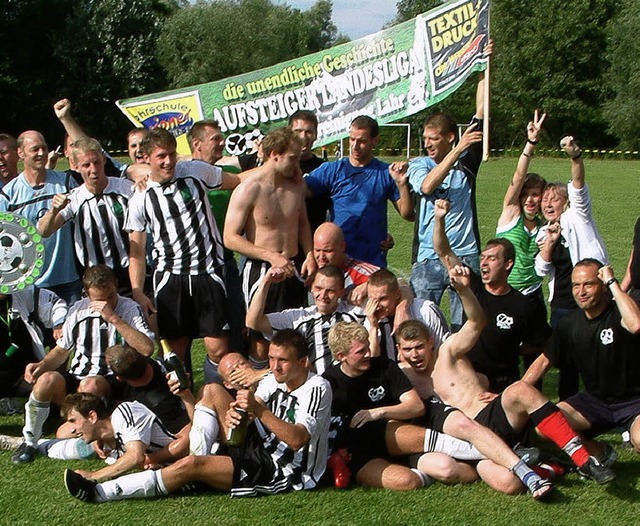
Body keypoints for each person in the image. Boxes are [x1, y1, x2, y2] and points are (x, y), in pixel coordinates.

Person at [396, 263, 615, 488]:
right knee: (508, 484)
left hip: (491, 415)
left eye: (419, 347)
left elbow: (476, 322)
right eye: (407, 350)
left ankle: (584, 460)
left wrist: (464, 291)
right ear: (399, 350)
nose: (415, 355)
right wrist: (376, 323)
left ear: (430, 342)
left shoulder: (448, 351)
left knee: (520, 390)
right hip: (468, 443)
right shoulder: (402, 376)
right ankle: (551, 465)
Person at [64, 329, 333, 502]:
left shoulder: (317, 388)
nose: (274, 366)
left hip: (285, 468)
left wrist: (257, 410)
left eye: (282, 361)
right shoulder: (274, 378)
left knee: (191, 464)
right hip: (260, 444)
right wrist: (237, 414)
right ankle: (200, 458)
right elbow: (252, 411)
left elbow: (298, 439)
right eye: (272, 359)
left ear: (303, 362)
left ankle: (99, 492)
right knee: (213, 389)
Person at [125, 128, 239, 383]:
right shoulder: (140, 197)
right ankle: (184, 410)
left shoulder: (195, 172)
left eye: (172, 155)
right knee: (175, 351)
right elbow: (137, 248)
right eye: (161, 156)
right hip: (171, 277)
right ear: (146, 158)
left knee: (218, 349)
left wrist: (272, 170)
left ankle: (215, 400)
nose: (168, 162)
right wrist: (137, 290)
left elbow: (238, 181)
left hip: (208, 272)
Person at [11, 265, 154, 464]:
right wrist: (41, 365)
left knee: (91, 385)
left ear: (116, 286)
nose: (106, 304)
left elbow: (147, 348)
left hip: (109, 381)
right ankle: (30, 442)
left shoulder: (130, 308)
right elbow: (62, 350)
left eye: (111, 296)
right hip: (77, 377)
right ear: (87, 294)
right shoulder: (78, 309)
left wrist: (114, 319)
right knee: (46, 380)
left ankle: (93, 433)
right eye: (99, 300)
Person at [324, 322, 488, 491]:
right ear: (341, 356)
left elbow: (417, 407)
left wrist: (380, 412)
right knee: (408, 481)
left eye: (367, 347)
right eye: (360, 352)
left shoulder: (384, 366)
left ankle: (486, 453)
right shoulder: (329, 383)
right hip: (361, 450)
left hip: (397, 435)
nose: (368, 354)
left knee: (445, 465)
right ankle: (455, 464)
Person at [407, 41, 492, 331]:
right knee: (422, 328)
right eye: (426, 138)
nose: (428, 144)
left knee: (464, 328)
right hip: (428, 258)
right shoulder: (419, 164)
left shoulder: (467, 162)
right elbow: (428, 187)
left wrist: (483, 65)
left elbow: (481, 111)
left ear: (450, 137)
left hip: (464, 255)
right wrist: (456, 153)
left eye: (434, 138)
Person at [524, 259, 640, 460]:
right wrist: (515, 392)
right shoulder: (569, 324)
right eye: (576, 285)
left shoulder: (619, 313)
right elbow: (544, 361)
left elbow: (636, 324)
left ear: (603, 285)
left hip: (634, 402)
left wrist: (613, 282)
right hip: (595, 402)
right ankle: (599, 452)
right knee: (545, 426)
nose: (581, 291)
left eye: (589, 284)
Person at [433, 199, 551, 392]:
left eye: (492, 258)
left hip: (502, 384)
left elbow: (543, 345)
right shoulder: (471, 285)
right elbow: (442, 250)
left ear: (508, 264)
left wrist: (511, 349)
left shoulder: (523, 305)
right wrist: (439, 219)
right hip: (467, 377)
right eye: (483, 258)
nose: (484, 263)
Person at [224, 126, 316, 365]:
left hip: (293, 268)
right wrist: (270, 256)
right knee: (259, 340)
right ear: (274, 154)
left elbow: (303, 223)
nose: (298, 164)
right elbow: (230, 237)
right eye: (293, 158)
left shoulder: (296, 184)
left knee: (292, 337)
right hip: (261, 269)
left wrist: (310, 255)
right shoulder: (249, 188)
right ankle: (256, 392)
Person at [535, 136, 609, 399]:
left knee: (599, 351)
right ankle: (569, 406)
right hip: (563, 303)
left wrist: (575, 156)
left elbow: (578, 185)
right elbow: (541, 270)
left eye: (554, 199)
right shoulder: (544, 232)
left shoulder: (578, 215)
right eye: (544, 200)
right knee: (566, 360)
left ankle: (609, 402)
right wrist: (550, 242)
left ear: (565, 202)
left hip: (594, 295)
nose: (548, 204)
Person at [305, 115, 413, 267]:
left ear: (375, 141)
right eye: (352, 139)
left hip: (372, 261)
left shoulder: (385, 173)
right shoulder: (333, 170)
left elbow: (408, 214)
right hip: (338, 260)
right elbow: (301, 192)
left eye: (361, 141)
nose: (355, 146)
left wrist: (402, 184)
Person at [37, 138, 133, 288]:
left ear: (103, 160)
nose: (93, 170)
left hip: (129, 274)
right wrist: (54, 211)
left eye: (97, 162)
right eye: (86, 165)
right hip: (94, 280)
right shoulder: (74, 199)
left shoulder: (126, 189)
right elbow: (44, 231)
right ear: (75, 166)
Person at [0, 130, 81, 305]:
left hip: (67, 280)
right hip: (29, 284)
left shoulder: (65, 182)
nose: (42, 153)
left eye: (44, 148)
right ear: (21, 153)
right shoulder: (8, 195)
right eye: (35, 149)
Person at [188, 120, 246, 356]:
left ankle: (236, 383)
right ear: (197, 144)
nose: (222, 143)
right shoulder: (179, 177)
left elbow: (248, 175)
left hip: (225, 260)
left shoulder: (229, 174)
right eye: (216, 139)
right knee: (184, 336)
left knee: (236, 327)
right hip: (189, 269)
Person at [246, 265, 364, 374]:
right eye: (318, 288)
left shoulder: (354, 313)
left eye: (330, 291)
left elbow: (380, 285)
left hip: (349, 382)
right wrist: (266, 282)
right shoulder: (298, 317)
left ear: (341, 292)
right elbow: (253, 322)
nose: (323, 295)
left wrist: (366, 286)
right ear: (311, 287)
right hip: (313, 384)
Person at [61, 392, 182, 482]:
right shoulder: (109, 449)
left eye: (74, 421)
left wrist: (93, 476)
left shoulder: (125, 412)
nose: (72, 429)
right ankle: (44, 446)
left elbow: (135, 457)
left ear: (92, 416)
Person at [366, 268, 448, 362]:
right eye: (372, 299)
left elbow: (442, 349)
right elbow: (372, 361)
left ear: (397, 294)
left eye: (383, 299)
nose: (376, 306)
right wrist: (373, 327)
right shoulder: (370, 316)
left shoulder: (425, 311)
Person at [0, 286, 67, 402]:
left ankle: (57, 415)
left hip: (26, 373)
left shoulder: (24, 294)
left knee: (50, 383)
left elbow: (57, 304)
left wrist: (59, 324)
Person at [313, 221, 379, 305]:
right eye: (317, 250)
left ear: (342, 247)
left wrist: (369, 285)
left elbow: (393, 284)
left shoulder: (360, 272)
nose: (321, 257)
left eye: (328, 251)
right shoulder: (309, 269)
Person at [288, 110, 327, 233]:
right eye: (298, 131)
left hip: (313, 244)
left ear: (315, 135)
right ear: (289, 133)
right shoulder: (274, 164)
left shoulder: (325, 169)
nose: (303, 137)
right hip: (280, 245)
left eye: (309, 132)